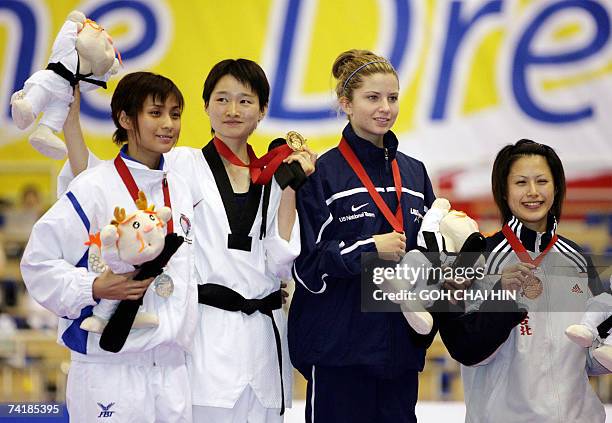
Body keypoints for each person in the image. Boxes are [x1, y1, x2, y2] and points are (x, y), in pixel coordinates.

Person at [60, 59, 316, 422]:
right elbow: (108, 184)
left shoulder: (275, 174)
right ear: (206, 106)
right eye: (222, 99)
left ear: (262, 111)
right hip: (204, 342)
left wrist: (290, 187)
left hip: (264, 342)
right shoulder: (180, 163)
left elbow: (280, 262)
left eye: (245, 101)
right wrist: (71, 121)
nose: (232, 110)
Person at [21, 72, 198, 422]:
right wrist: (94, 287)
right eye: (156, 113)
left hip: (172, 370)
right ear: (125, 119)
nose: (168, 125)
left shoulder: (180, 190)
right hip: (109, 371)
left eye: (175, 115)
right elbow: (37, 263)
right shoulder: (94, 187)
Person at [288, 49, 436, 423]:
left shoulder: (415, 175)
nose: (385, 107)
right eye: (372, 98)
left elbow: (433, 257)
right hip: (339, 354)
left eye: (392, 97)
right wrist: (369, 249)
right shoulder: (323, 173)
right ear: (346, 104)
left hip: (399, 357)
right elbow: (307, 267)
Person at [437, 139, 608, 422]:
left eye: (542, 181)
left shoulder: (577, 259)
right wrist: (501, 296)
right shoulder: (477, 258)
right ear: (504, 191)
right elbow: (464, 348)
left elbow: (589, 356)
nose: (532, 192)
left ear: (556, 188)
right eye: (520, 183)